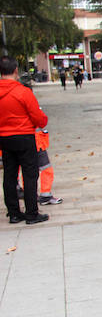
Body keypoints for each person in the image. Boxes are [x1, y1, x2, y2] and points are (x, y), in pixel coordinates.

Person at [0, 56, 49, 225]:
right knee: (30, 174)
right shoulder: (23, 92)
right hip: (24, 136)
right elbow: (37, 117)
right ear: (15, 71)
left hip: (4, 138)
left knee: (9, 175)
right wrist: (42, 122)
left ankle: (13, 213)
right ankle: (31, 213)